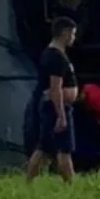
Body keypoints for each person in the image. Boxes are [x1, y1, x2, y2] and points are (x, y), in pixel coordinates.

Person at [25, 17, 79, 184]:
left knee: (44, 147)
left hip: (54, 106)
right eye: (73, 34)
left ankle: (29, 181)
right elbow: (55, 88)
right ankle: (71, 185)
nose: (74, 38)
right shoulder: (55, 57)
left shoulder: (54, 54)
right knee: (65, 148)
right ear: (65, 33)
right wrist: (61, 115)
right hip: (57, 107)